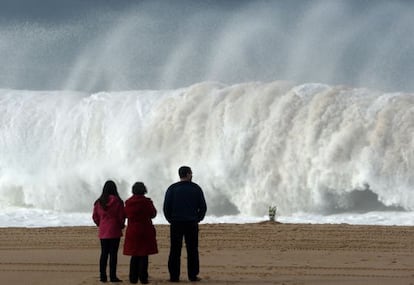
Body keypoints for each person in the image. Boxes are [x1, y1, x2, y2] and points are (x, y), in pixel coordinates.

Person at [163, 166, 207, 282]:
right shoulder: (196, 188)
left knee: (175, 250)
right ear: (187, 174)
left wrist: (170, 220)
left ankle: (174, 276)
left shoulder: (172, 188)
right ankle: (192, 275)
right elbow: (203, 207)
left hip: (176, 223)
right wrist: (198, 219)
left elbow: (166, 207)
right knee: (192, 249)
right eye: (191, 173)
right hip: (191, 222)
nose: (192, 175)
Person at [123, 182, 158, 284]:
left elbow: (125, 214)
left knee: (134, 255)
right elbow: (153, 214)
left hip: (133, 230)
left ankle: (133, 278)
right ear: (144, 190)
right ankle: (143, 277)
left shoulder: (128, 203)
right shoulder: (147, 202)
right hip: (145, 229)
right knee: (144, 254)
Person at [92, 180, 125, 283]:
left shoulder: (99, 202)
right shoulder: (118, 201)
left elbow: (95, 216)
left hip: (103, 231)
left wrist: (99, 224)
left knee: (104, 254)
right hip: (114, 230)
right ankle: (113, 276)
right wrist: (121, 225)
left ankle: (103, 276)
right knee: (113, 255)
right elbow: (121, 216)